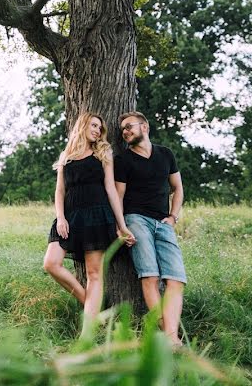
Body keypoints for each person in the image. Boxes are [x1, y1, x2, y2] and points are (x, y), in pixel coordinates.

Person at [43, 112, 135, 322]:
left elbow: (111, 189)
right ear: (82, 125)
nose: (97, 130)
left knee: (94, 274)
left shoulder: (103, 152)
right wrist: (61, 217)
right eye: (93, 125)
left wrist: (121, 225)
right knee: (50, 263)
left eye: (99, 128)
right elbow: (59, 191)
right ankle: (91, 305)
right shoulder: (66, 155)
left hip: (97, 215)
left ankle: (88, 328)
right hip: (70, 217)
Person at [114, 111, 187, 347]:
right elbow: (118, 196)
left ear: (144, 127)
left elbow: (177, 188)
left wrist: (173, 216)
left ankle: (170, 336)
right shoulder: (123, 160)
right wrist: (121, 226)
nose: (125, 131)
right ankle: (172, 338)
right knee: (150, 276)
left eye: (129, 126)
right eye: (123, 129)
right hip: (136, 219)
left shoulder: (165, 154)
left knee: (176, 279)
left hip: (163, 222)